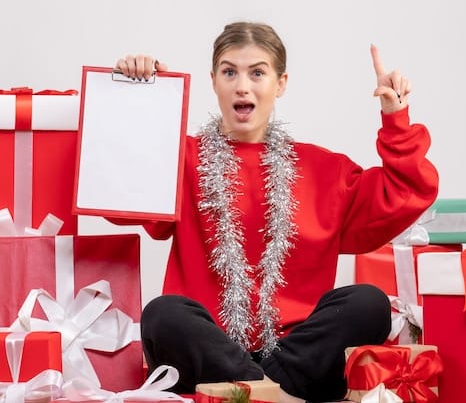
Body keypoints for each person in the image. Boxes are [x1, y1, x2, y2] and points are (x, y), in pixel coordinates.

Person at [113, 22, 438, 403]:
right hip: (207, 351)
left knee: (369, 303)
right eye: (229, 71)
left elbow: (405, 192)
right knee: (164, 314)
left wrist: (395, 116)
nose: (242, 86)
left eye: (257, 73)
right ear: (213, 81)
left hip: (299, 354)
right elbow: (117, 187)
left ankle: (259, 391)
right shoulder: (181, 159)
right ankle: (279, 395)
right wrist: (140, 97)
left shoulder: (324, 169)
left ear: (280, 84)